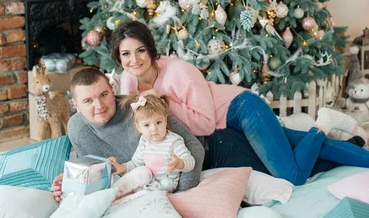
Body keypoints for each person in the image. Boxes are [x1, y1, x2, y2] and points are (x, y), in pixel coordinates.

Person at [112, 20, 369, 186]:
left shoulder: (179, 72)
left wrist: (163, 102)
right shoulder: (128, 81)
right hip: (227, 126)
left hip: (242, 109)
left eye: (140, 50)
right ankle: (351, 146)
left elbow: (206, 123)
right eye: (126, 54)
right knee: (297, 146)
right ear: (118, 58)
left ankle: (322, 124)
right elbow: (134, 122)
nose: (134, 59)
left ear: (151, 49)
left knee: (291, 174)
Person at [52, 67, 204, 201]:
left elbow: (194, 147)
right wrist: (69, 182)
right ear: (76, 105)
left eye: (104, 94)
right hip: (128, 192)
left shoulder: (141, 108)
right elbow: (90, 169)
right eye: (88, 101)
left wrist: (180, 196)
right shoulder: (76, 127)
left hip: (166, 188)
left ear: (112, 90)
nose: (99, 106)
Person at [109, 93, 195, 192]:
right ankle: (115, 191)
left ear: (165, 120)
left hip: (165, 187)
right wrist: (122, 167)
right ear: (138, 127)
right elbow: (136, 163)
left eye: (158, 122)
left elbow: (191, 162)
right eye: (146, 125)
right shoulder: (144, 141)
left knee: (144, 177)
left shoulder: (174, 141)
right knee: (142, 172)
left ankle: (119, 193)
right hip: (146, 183)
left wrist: (180, 163)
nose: (154, 129)